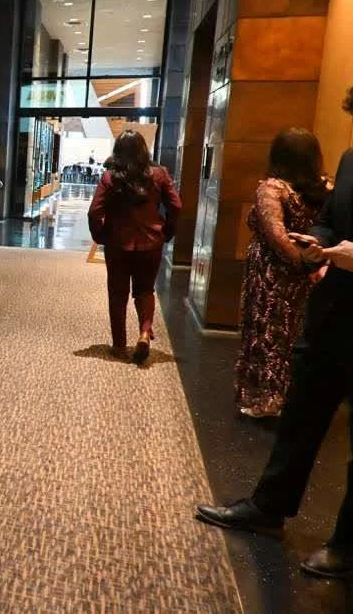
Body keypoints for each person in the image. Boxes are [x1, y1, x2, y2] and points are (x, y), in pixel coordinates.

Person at [195, 87, 353, 578]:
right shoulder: (349, 161)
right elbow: (330, 221)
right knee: (300, 418)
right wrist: (319, 245)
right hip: (330, 315)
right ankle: (268, 507)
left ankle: (348, 546)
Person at [234, 128, 330, 418]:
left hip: (271, 275)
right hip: (312, 274)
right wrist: (316, 262)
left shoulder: (273, 188)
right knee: (296, 334)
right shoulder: (325, 188)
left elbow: (276, 235)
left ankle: (267, 399)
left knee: (266, 332)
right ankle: (294, 395)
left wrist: (299, 261)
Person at [87, 130, 182, 363]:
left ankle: (119, 345)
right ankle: (143, 333)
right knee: (145, 289)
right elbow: (176, 206)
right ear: (143, 150)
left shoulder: (110, 177)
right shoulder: (159, 175)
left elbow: (94, 212)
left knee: (117, 293)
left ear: (117, 151)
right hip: (151, 243)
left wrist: (100, 235)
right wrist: (167, 231)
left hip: (118, 244)